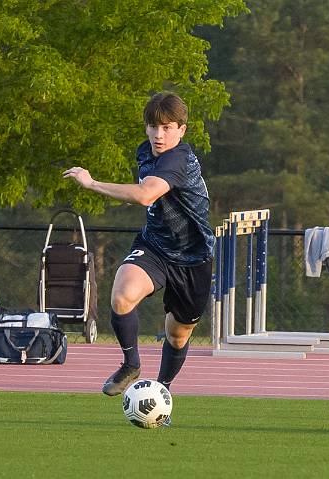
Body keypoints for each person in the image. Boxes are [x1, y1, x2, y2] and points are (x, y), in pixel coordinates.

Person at [64, 92, 215, 406]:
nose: (159, 135)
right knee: (122, 295)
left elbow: (147, 195)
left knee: (177, 334)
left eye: (167, 128)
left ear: (182, 130)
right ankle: (131, 364)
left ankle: (161, 390)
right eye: (153, 127)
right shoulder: (145, 152)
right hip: (156, 245)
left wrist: (92, 184)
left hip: (193, 257)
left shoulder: (178, 159)